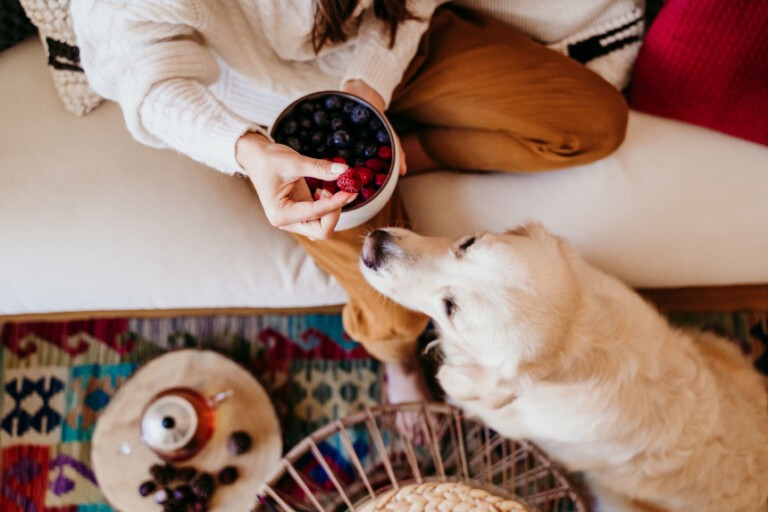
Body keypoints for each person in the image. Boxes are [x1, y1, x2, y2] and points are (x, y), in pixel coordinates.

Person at [70, 0, 628, 406]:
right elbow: (142, 72)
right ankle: (396, 362)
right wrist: (246, 150)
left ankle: (412, 150)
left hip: (391, 49)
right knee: (398, 317)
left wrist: (371, 88)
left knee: (596, 123)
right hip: (270, 126)